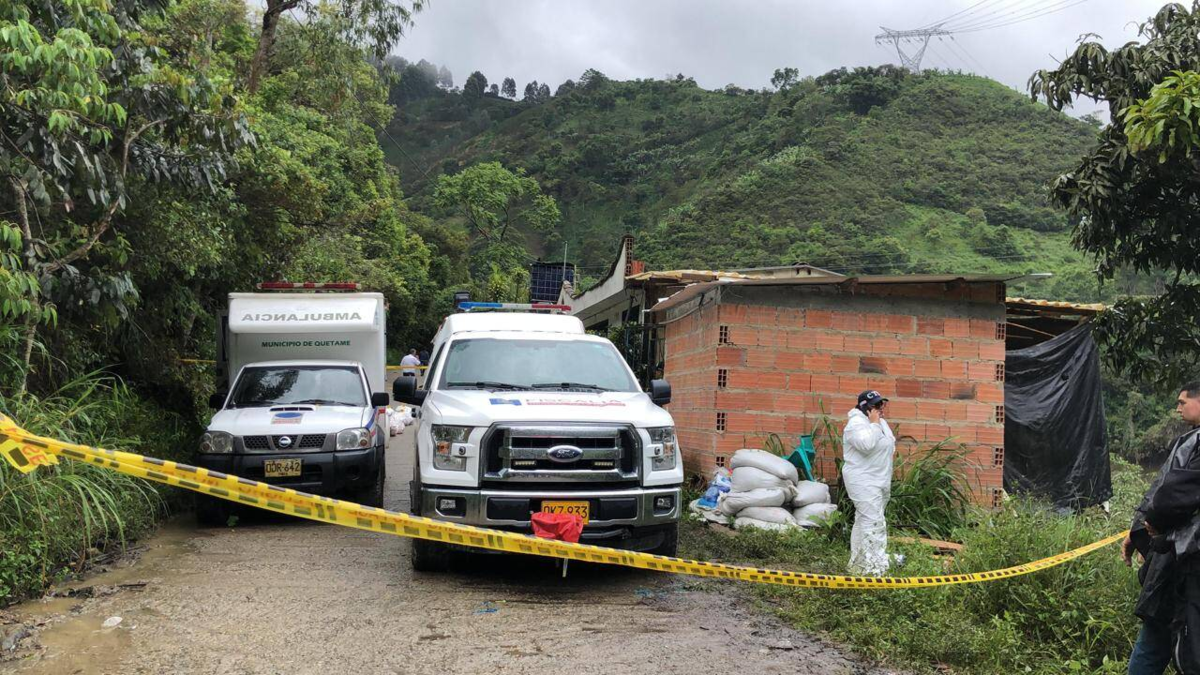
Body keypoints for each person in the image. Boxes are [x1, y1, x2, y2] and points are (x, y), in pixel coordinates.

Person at [1124, 381, 1200, 675]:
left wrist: (1151, 526)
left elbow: (1170, 496)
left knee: (1179, 644)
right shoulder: (1189, 441)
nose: (1178, 409)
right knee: (1157, 637)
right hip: (1175, 561)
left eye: (1183, 402)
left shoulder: (1193, 444)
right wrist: (1139, 534)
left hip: (1184, 564)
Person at [842, 390, 897, 576]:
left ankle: (858, 566)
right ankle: (875, 569)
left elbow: (890, 445)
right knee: (874, 523)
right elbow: (866, 445)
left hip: (880, 479)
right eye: (876, 405)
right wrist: (874, 424)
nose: (881, 409)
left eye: (882, 404)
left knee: (863, 522)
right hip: (862, 481)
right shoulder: (855, 425)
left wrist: (876, 423)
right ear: (865, 407)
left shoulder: (881, 423)